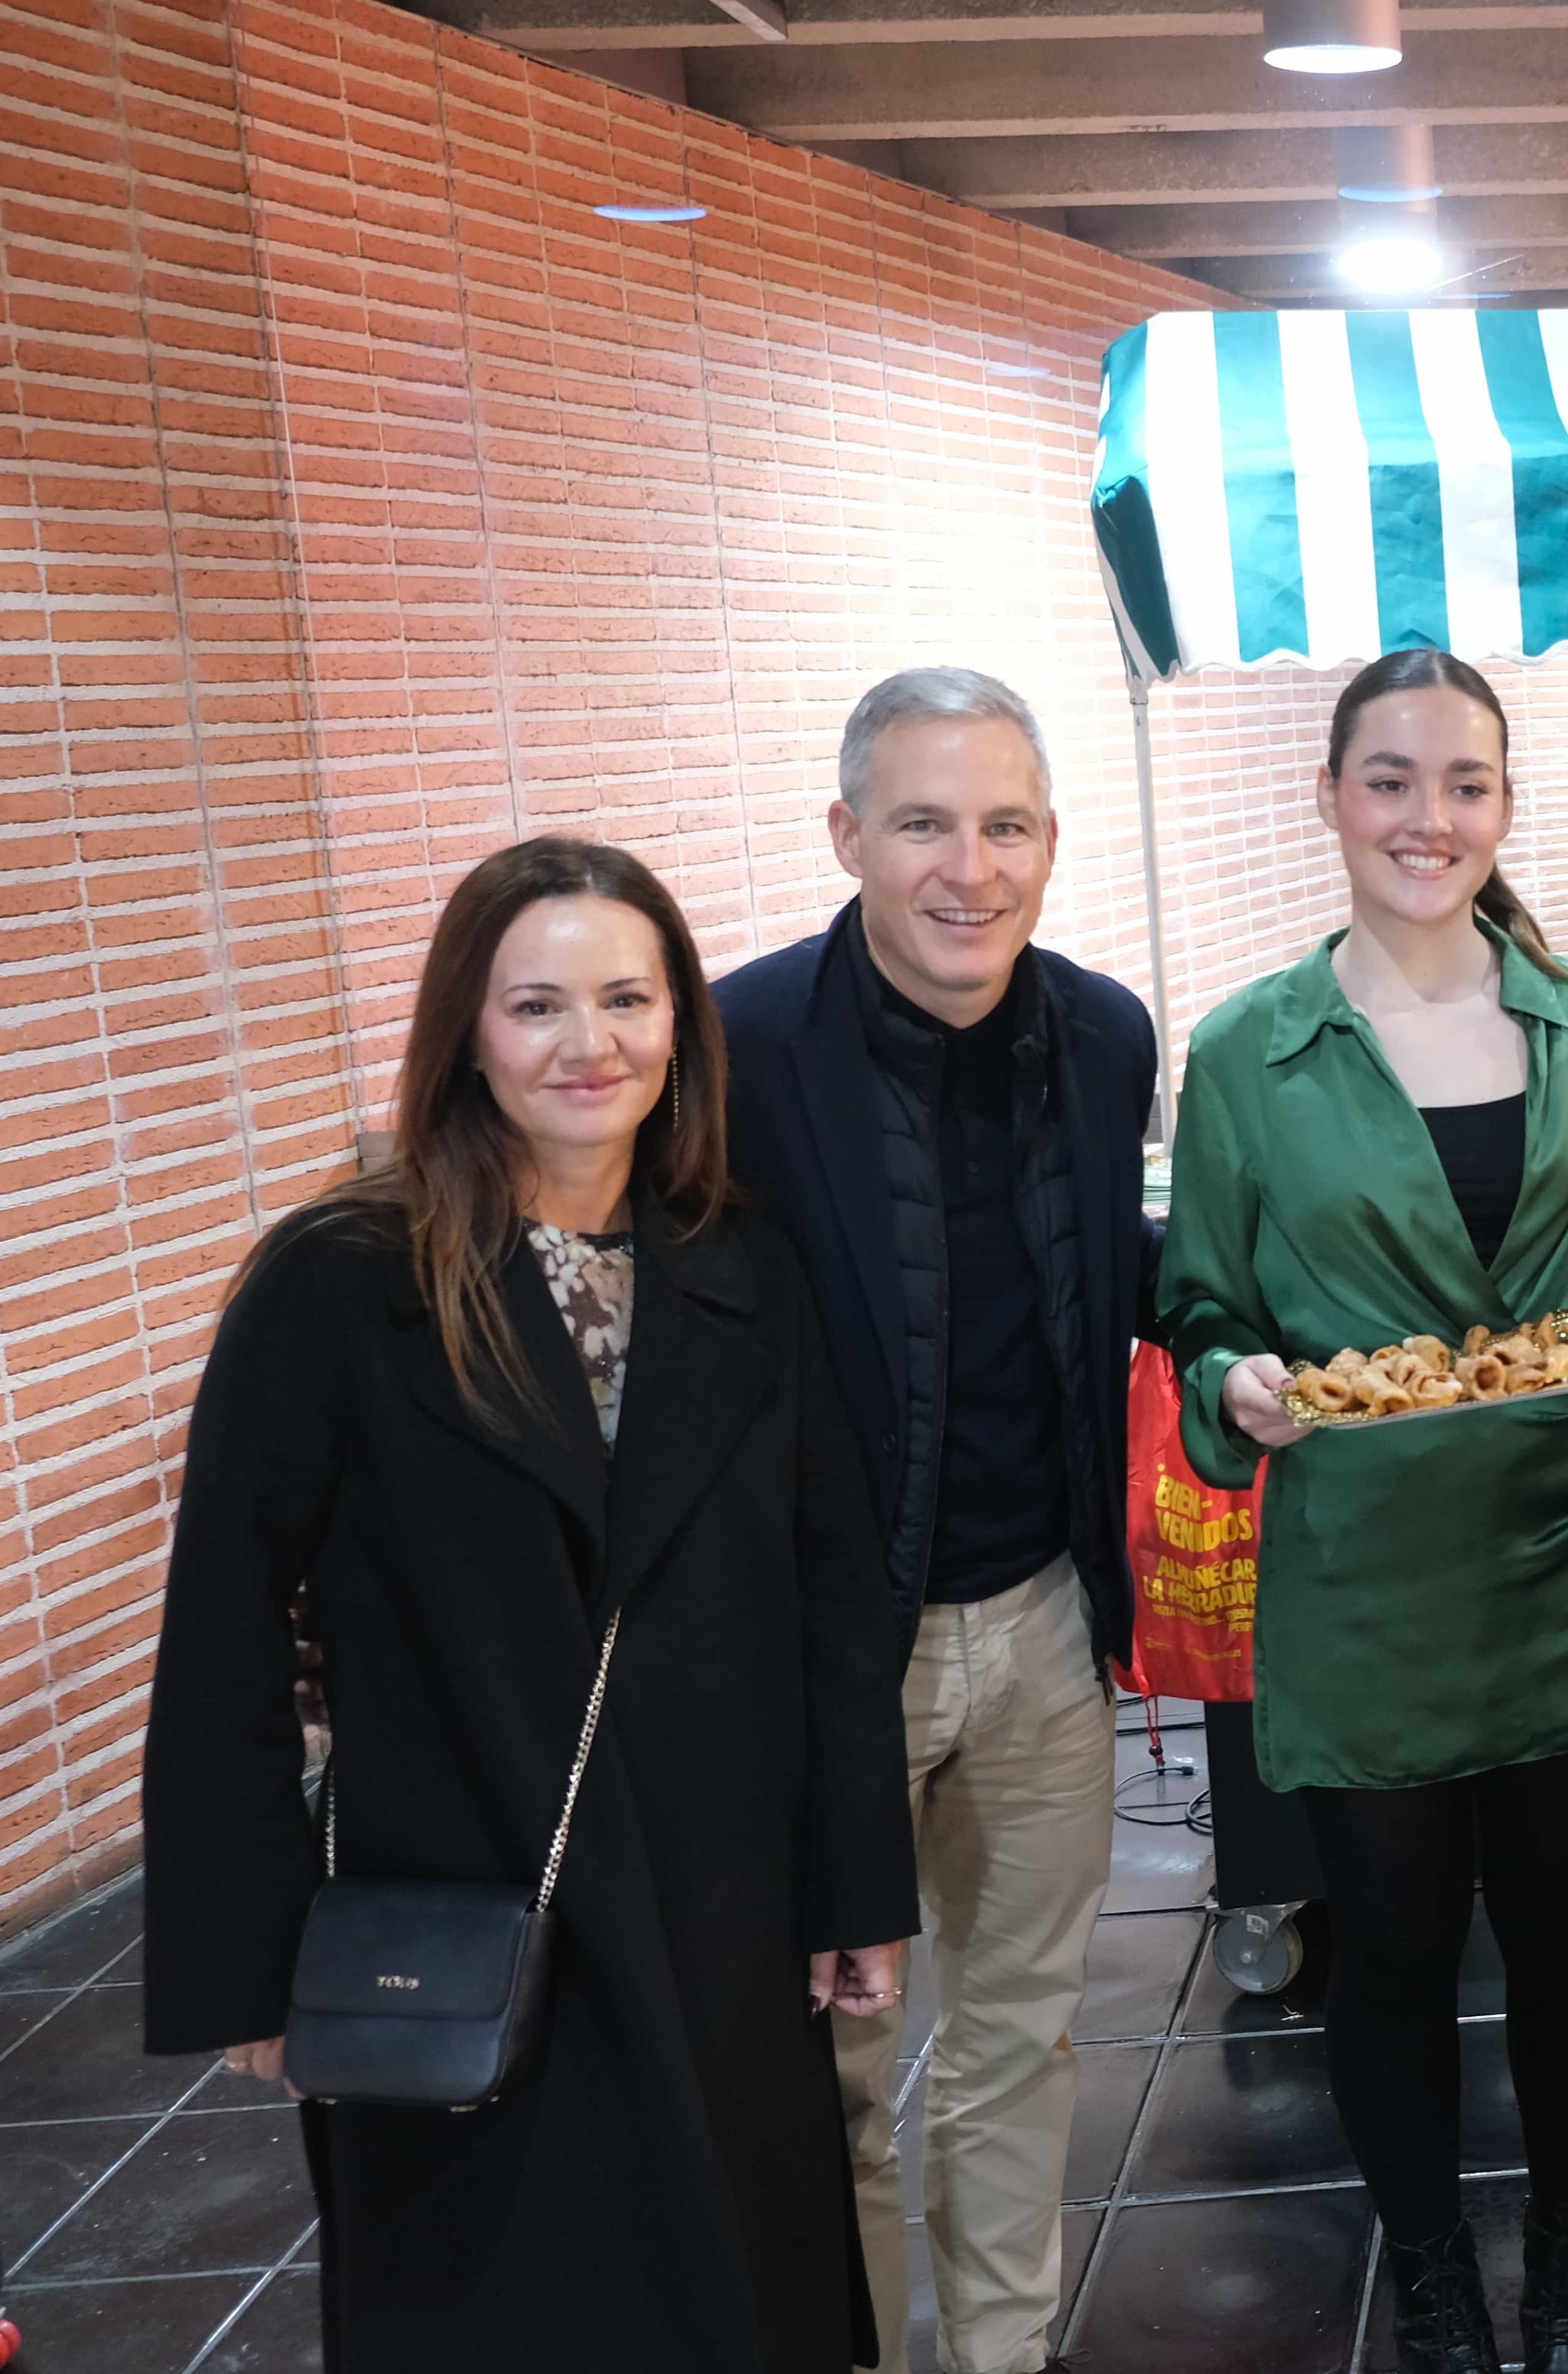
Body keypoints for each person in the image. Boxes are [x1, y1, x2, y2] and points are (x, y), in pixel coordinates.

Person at [142, 837, 917, 2372]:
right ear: (467, 1029)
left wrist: (855, 1882)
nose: (590, 1044)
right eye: (537, 1003)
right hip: (475, 1901)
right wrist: (250, 1955)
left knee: (733, 2293)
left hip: (724, 1909)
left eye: (628, 997)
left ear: (681, 1026)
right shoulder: (341, 1281)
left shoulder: (741, 1268)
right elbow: (223, 1624)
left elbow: (834, 1594)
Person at [1156, 649, 1568, 2374]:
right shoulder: (1250, 1051)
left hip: (1564, 1555)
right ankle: (1435, 2270)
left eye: (1463, 782)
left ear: (1503, 806)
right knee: (1389, 1956)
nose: (1427, 816)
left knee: (1565, 1941)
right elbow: (1205, 1301)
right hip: (1366, 1582)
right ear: (1328, 797)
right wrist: (1237, 1380)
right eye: (1389, 778)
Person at [714, 667, 1160, 2374]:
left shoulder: (1105, 1033)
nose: (966, 866)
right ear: (847, 836)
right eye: (921, 822)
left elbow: (1109, 1291)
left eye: (1004, 823)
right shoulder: (737, 1048)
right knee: (825, 2059)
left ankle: (1000, 2350)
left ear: (1048, 841)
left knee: (1019, 2036)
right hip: (820, 1653)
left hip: (1045, 1619)